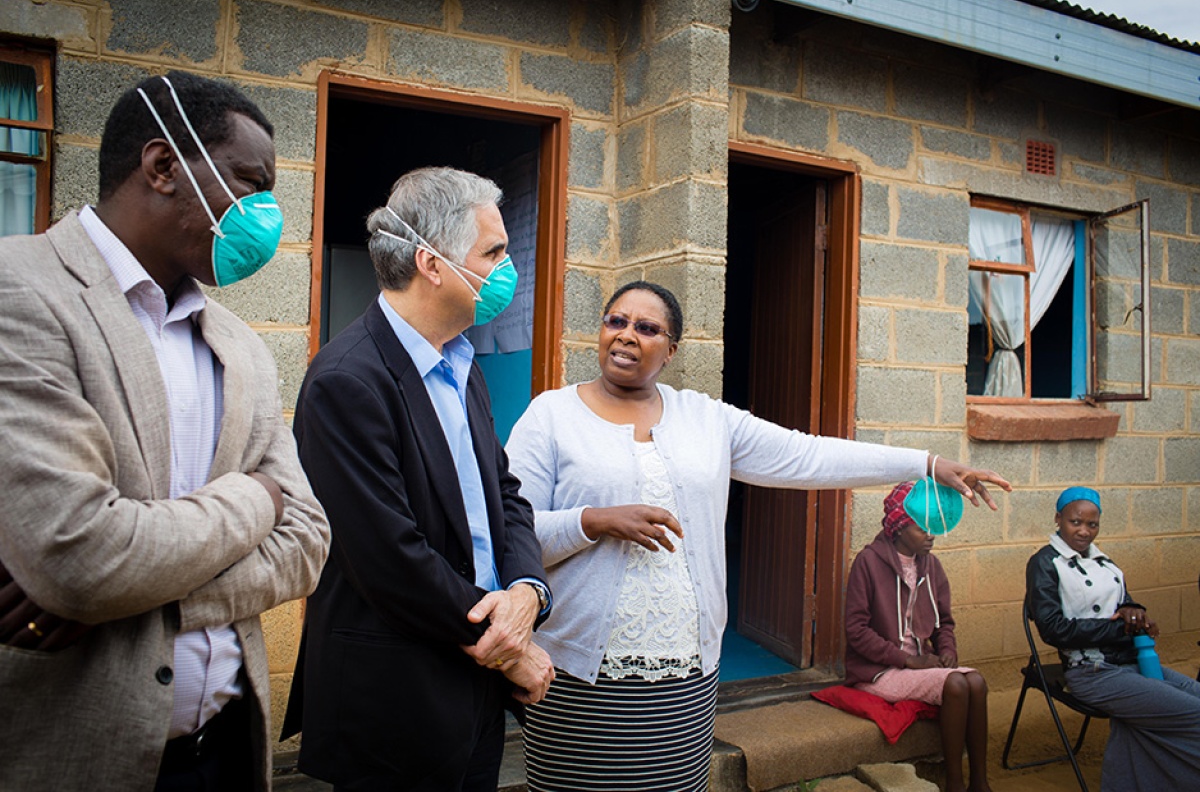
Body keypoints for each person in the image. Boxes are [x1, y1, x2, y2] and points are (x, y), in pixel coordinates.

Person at [504, 280, 1010, 792]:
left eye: (647, 328)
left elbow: (808, 456)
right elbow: (512, 528)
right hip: (578, 669)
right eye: (616, 321)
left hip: (685, 671)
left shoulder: (705, 419)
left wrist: (926, 463)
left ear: (672, 349)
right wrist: (592, 520)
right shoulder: (552, 415)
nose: (627, 335)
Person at [0, 71, 331, 791]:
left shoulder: (237, 343)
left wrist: (139, 601)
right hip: (79, 760)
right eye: (251, 182)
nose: (266, 215)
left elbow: (307, 542)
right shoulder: (20, 290)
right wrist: (257, 498)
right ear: (161, 167)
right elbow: (81, 555)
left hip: (227, 753)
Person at [282, 166, 554, 791]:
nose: (507, 269)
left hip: (477, 686)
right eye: (493, 252)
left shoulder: (463, 363)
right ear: (433, 264)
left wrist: (526, 592)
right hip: (395, 699)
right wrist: (509, 646)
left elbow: (504, 496)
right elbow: (389, 558)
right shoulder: (347, 380)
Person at [1027, 486, 1200, 792]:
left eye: (1092, 525)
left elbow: (1125, 605)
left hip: (1132, 662)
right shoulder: (1044, 563)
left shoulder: (1106, 564)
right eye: (1075, 522)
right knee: (1193, 713)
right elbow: (1053, 629)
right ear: (1058, 519)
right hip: (1091, 672)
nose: (1084, 531)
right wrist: (1120, 630)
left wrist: (1137, 613)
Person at [845, 481, 992, 792]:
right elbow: (856, 631)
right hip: (879, 671)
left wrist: (947, 650)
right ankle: (954, 782)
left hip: (919, 665)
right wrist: (908, 660)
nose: (930, 534)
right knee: (955, 682)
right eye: (921, 526)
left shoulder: (932, 566)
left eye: (934, 525)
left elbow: (944, 623)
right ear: (898, 526)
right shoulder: (868, 563)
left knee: (976, 681)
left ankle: (980, 782)